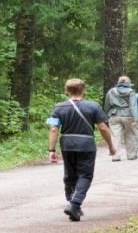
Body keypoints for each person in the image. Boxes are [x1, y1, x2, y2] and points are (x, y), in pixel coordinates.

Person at [48, 79, 116, 221]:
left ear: (67, 90)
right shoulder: (93, 106)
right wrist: (110, 145)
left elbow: (54, 130)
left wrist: (51, 150)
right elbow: (103, 128)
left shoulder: (59, 107)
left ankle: (73, 204)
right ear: (83, 90)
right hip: (87, 145)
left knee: (70, 174)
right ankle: (74, 203)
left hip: (67, 144)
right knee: (85, 175)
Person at [104, 76, 138, 161]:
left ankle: (115, 156)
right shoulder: (131, 91)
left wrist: (105, 117)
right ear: (128, 83)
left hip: (114, 115)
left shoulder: (111, 91)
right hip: (128, 116)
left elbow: (107, 105)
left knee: (115, 136)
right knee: (130, 135)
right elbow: (133, 106)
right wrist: (135, 119)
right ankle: (131, 155)